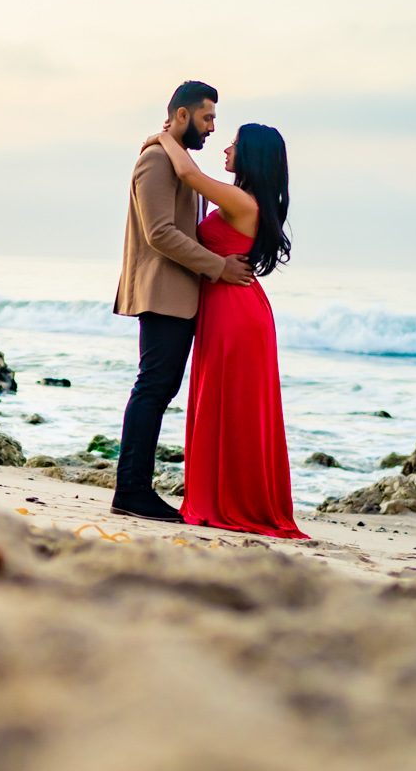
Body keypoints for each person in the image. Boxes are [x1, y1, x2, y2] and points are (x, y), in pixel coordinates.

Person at [148, 122, 306, 538]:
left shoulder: (242, 200)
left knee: (233, 410)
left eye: (235, 143)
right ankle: (221, 497)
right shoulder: (246, 200)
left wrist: (163, 137)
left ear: (252, 155)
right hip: (227, 310)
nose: (226, 147)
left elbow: (188, 175)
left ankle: (232, 503)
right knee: (224, 406)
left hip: (236, 315)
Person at [111, 81, 252, 522]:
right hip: (162, 292)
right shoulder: (156, 160)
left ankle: (134, 488)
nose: (212, 128)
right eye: (208, 117)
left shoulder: (176, 158)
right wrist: (218, 266)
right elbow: (160, 233)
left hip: (179, 296)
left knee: (158, 389)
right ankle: (131, 490)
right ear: (183, 114)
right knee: (152, 389)